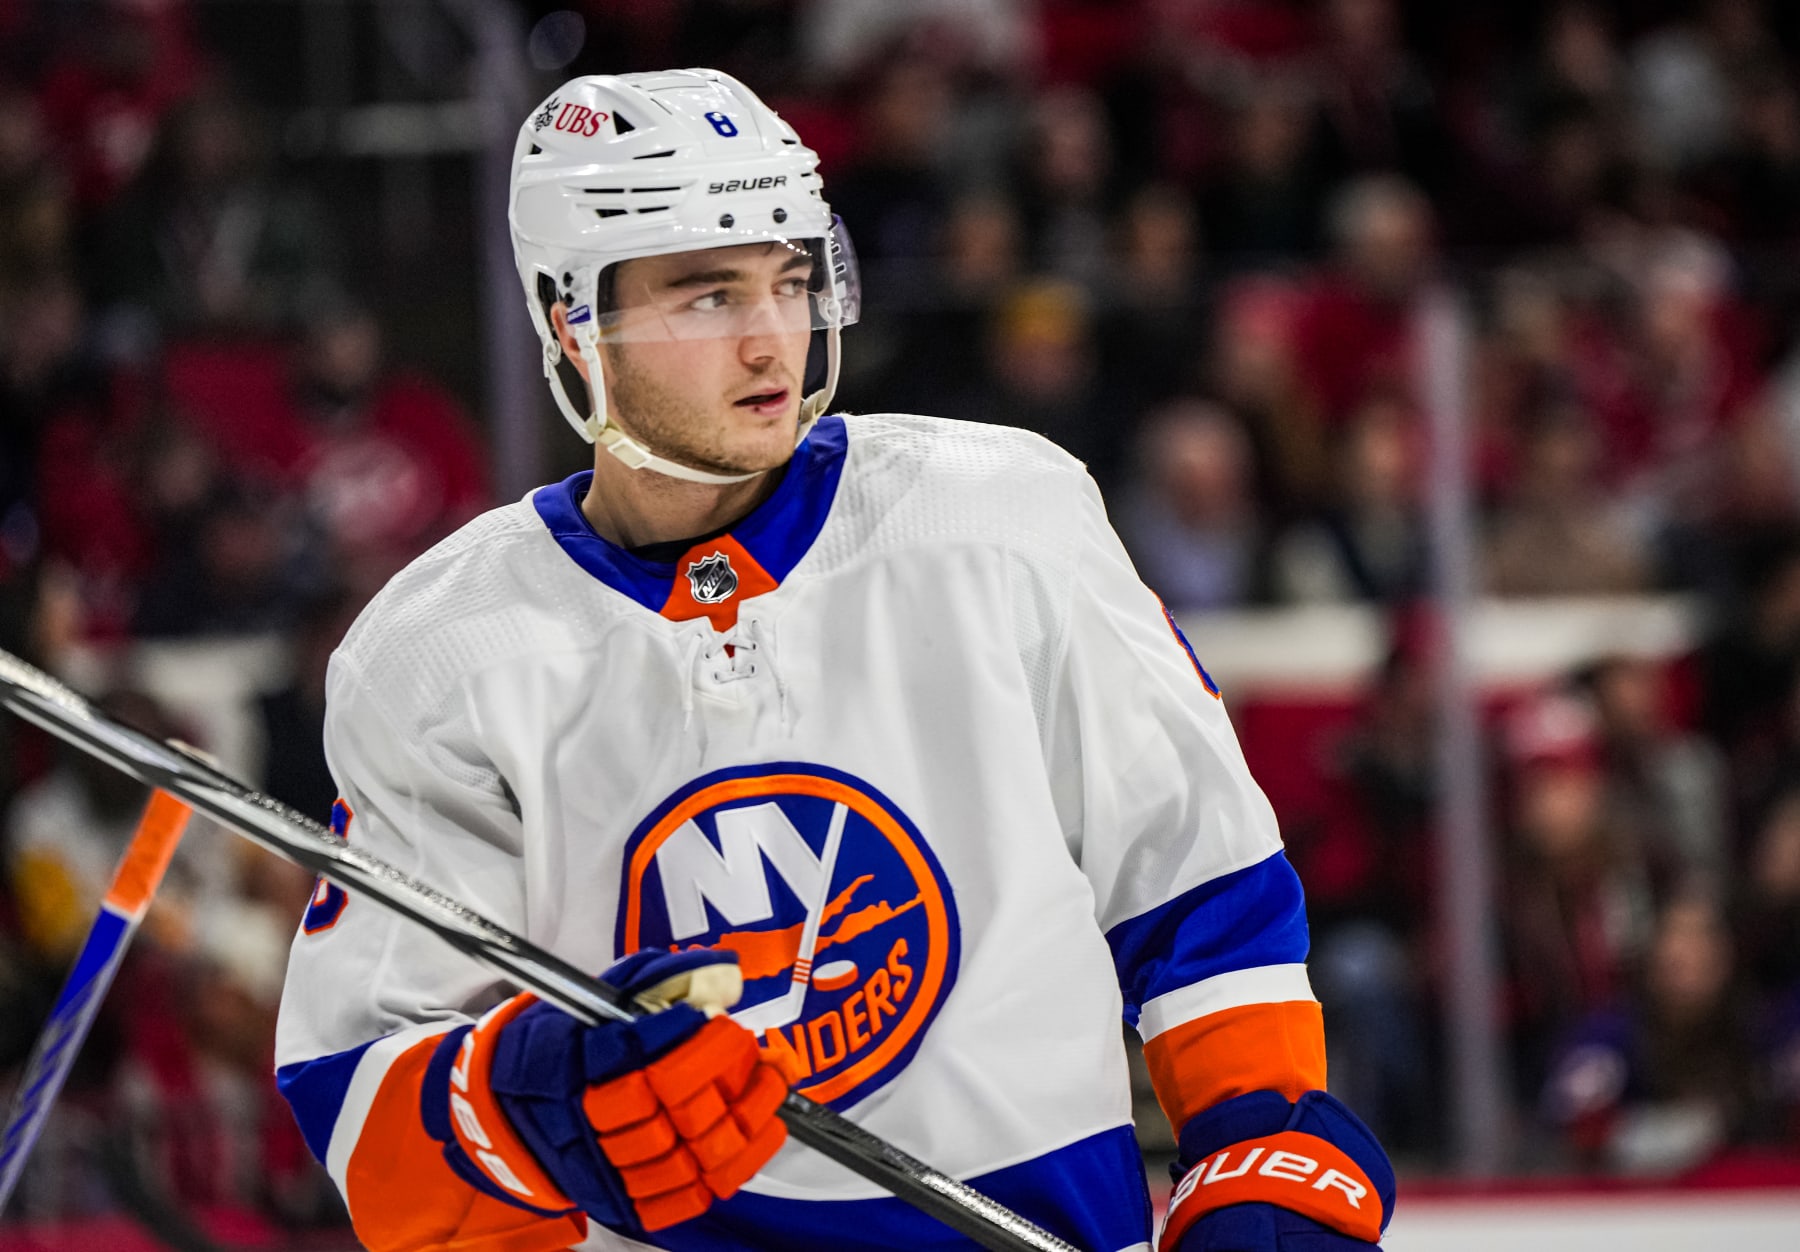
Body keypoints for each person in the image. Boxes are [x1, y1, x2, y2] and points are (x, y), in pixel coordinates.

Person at [271, 70, 1394, 1252]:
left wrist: (1262, 1147)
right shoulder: (441, 651)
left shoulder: (1005, 520)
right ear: (571, 321)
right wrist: (517, 1105)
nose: (772, 337)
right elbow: (366, 1102)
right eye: (707, 295)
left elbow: (1199, 887)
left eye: (792, 278)